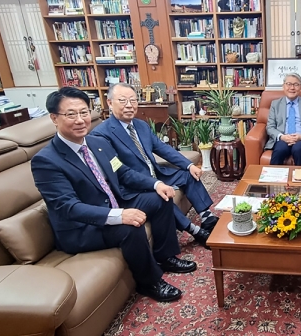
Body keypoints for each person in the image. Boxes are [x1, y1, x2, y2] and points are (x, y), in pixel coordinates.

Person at [31, 87, 197, 302]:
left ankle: (165, 257)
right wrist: (120, 216)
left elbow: (122, 172)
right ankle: (150, 282)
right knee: (130, 227)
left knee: (161, 198)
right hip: (83, 227)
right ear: (54, 118)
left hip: (114, 203)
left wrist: (155, 183)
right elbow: (67, 207)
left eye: (84, 112)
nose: (81, 120)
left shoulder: (97, 143)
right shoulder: (47, 161)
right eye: (71, 114)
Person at [91, 83, 219, 248]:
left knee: (188, 174)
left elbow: (162, 148)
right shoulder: (102, 134)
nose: (129, 105)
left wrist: (189, 165)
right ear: (109, 103)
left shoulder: (141, 125)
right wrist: (154, 184)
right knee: (161, 197)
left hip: (155, 173)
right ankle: (195, 231)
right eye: (123, 101)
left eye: (133, 100)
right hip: (135, 185)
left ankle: (207, 218)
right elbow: (119, 171)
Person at [266, 72, 301, 166]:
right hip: (282, 138)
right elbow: (270, 127)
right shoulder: (275, 104)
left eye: (296, 84)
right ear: (283, 86)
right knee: (280, 149)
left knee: (298, 149)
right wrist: (282, 137)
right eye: (289, 84)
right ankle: (273, 179)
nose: (292, 88)